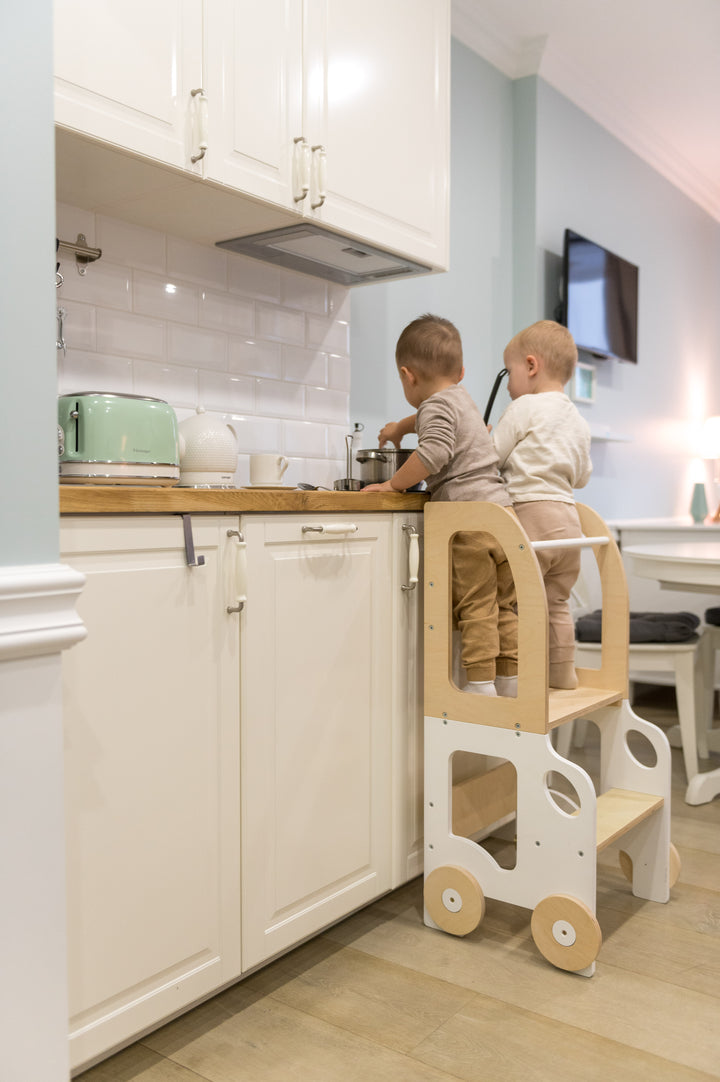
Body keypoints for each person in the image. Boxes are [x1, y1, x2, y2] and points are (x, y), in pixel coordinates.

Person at [362, 314, 518, 697]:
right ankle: (511, 681)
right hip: (503, 517)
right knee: (506, 606)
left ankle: (480, 687)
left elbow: (434, 450)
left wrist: (392, 484)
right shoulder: (461, 399)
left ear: (407, 375)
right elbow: (433, 420)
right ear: (461, 371)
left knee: (476, 606)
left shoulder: (434, 406)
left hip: (469, 521)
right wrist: (400, 428)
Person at [492, 320, 592, 689]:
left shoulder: (523, 408)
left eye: (510, 371)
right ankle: (563, 674)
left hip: (531, 517)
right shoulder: (578, 420)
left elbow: (491, 457)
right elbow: (581, 477)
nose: (506, 384)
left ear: (531, 366)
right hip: (569, 524)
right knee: (557, 602)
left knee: (512, 600)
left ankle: (518, 679)